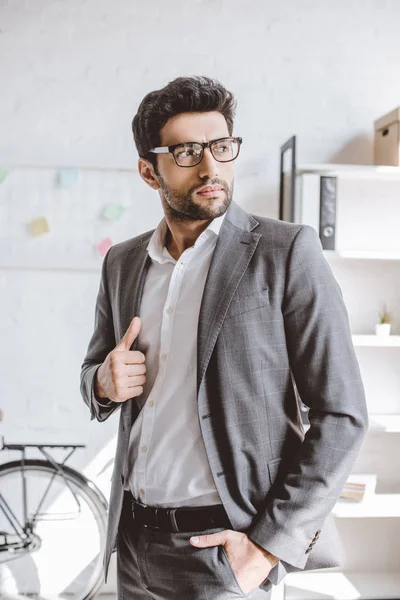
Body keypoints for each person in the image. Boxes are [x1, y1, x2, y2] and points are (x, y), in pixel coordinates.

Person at [80, 76, 369, 599]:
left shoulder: (286, 253)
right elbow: (95, 371)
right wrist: (102, 382)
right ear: (150, 171)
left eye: (221, 147)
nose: (211, 167)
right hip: (132, 545)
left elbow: (343, 415)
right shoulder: (122, 263)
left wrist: (267, 547)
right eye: (188, 152)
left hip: (222, 549)